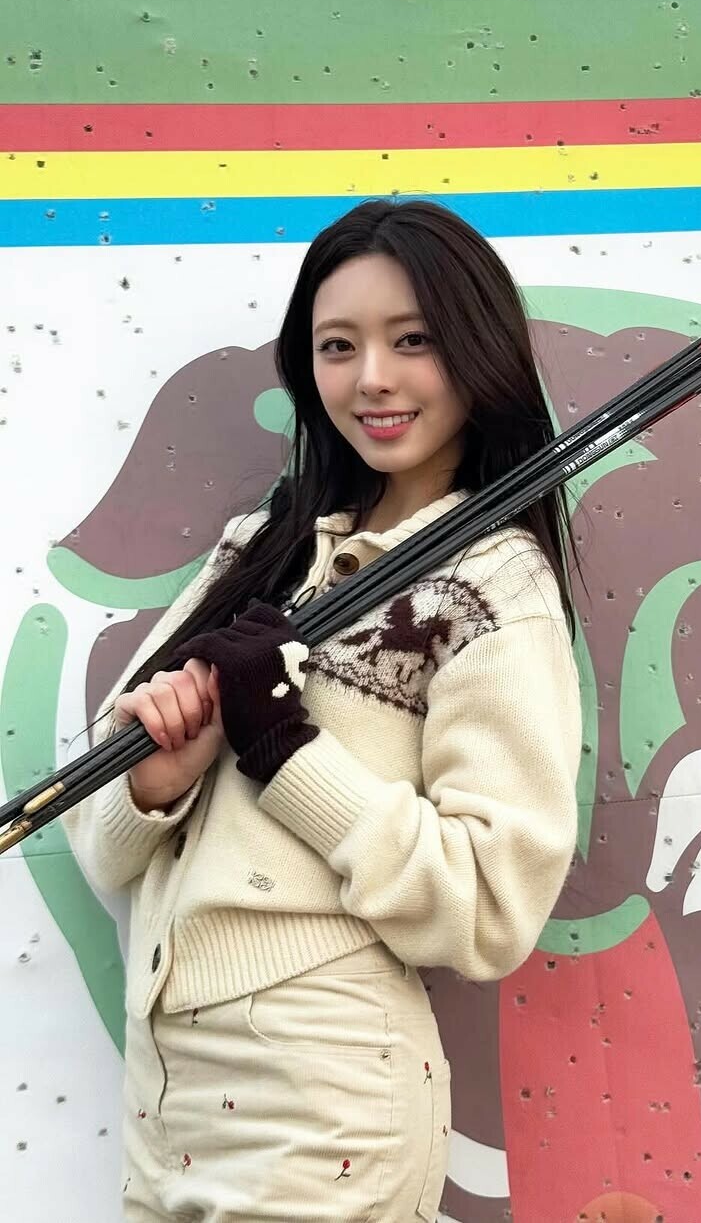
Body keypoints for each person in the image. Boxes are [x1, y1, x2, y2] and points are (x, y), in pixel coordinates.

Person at [62, 197, 586, 1222]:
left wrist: (287, 751)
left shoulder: (494, 587)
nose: (372, 378)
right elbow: (98, 839)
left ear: (478, 351)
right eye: (337, 346)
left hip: (325, 1098)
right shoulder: (261, 543)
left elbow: (489, 907)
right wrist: (156, 784)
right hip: (165, 1092)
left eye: (413, 341)